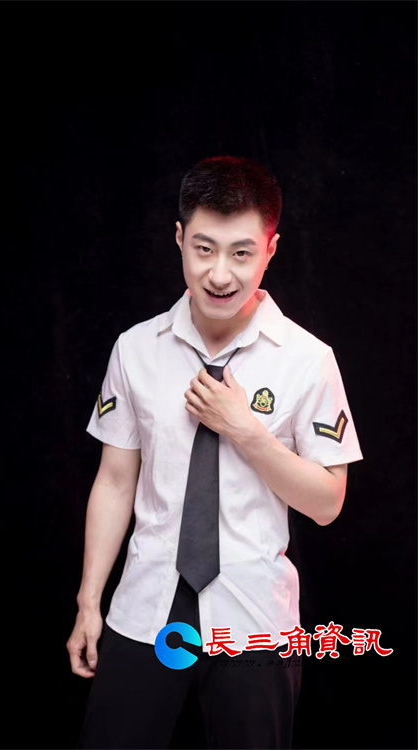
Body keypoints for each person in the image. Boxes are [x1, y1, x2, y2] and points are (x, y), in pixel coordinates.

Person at [67, 156, 364, 749]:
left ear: (271, 250)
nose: (220, 274)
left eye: (241, 253)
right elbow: (115, 481)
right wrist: (88, 601)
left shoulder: (308, 360)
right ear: (179, 238)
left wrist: (246, 431)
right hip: (144, 610)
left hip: (255, 624)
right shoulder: (136, 349)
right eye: (204, 249)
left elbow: (328, 502)